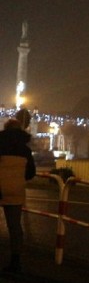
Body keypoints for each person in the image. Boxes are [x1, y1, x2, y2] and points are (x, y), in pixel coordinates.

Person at [0, 109, 36, 273]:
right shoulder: (25, 150)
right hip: (16, 190)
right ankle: (15, 261)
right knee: (15, 226)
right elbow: (30, 173)